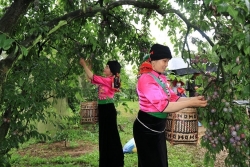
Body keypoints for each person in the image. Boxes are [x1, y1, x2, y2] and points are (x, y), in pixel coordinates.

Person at [133, 44, 207, 167]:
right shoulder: (146, 79)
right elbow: (163, 106)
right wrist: (191, 103)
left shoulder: (160, 78)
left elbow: (174, 98)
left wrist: (194, 99)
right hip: (146, 129)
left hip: (158, 128)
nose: (166, 64)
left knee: (161, 162)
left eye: (167, 61)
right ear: (154, 60)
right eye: (164, 61)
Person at [79, 58, 124, 167]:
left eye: (107, 67)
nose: (105, 68)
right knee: (105, 136)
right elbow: (90, 78)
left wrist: (84, 65)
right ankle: (107, 161)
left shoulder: (110, 80)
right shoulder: (106, 79)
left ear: (112, 70)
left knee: (110, 135)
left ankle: (114, 160)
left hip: (108, 109)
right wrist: (88, 67)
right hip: (104, 110)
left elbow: (92, 76)